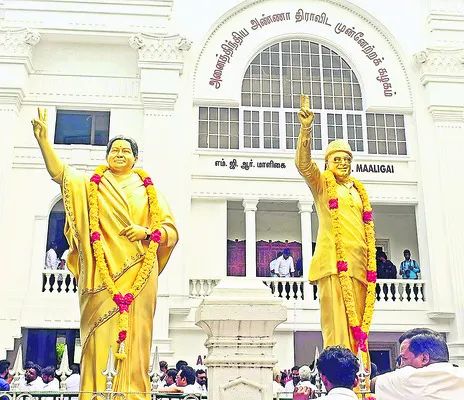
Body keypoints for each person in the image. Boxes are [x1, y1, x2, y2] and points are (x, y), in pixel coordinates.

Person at [31, 108, 178, 399]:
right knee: (97, 336)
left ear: (136, 158)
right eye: (114, 150)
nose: (119, 155)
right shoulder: (91, 186)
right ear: (107, 155)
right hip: (101, 275)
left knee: (137, 338)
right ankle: (95, 394)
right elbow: (61, 174)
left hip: (139, 274)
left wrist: (146, 232)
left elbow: (170, 231)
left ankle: (133, 393)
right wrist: (44, 141)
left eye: (126, 151)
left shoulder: (149, 192)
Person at [295, 95, 376, 363]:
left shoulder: (358, 191)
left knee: (359, 329)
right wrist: (306, 128)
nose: (342, 163)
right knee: (336, 325)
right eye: (336, 159)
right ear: (327, 164)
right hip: (334, 262)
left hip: (360, 265)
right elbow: (304, 165)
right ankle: (338, 374)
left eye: (346, 159)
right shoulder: (323, 185)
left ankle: (360, 373)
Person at [371, 333, 464, 398]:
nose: (401, 365)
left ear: (424, 358)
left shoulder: (410, 378)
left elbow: (372, 384)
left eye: (405, 359)